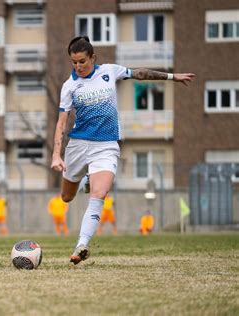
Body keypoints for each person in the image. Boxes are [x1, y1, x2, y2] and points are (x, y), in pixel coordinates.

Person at [50, 36, 195, 265]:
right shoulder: (69, 86)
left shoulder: (109, 71)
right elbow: (61, 123)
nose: (78, 66)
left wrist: (172, 77)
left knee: (99, 195)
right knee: (66, 197)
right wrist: (56, 155)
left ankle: (81, 245)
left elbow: (141, 73)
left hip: (106, 146)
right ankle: (85, 176)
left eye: (82, 61)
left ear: (93, 58)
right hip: (78, 146)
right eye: (74, 62)